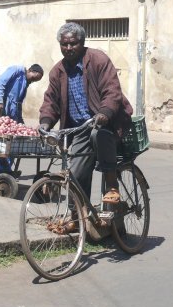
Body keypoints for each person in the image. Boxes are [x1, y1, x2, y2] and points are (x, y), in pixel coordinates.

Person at [38, 22, 133, 234]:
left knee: (99, 133)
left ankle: (111, 186)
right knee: (76, 173)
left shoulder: (98, 60)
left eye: (73, 43)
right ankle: (77, 218)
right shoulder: (58, 71)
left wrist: (104, 113)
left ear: (82, 43)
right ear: (60, 45)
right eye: (64, 44)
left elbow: (112, 91)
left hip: (107, 122)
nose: (69, 48)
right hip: (80, 128)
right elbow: (50, 102)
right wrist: (45, 123)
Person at [0, 63, 44, 175]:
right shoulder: (17, 70)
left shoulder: (25, 83)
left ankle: (7, 171)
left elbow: (17, 104)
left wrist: (20, 123)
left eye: (35, 81)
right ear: (30, 70)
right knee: (0, 144)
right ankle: (4, 173)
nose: (32, 81)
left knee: (12, 145)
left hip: (10, 117)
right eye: (34, 78)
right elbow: (0, 82)